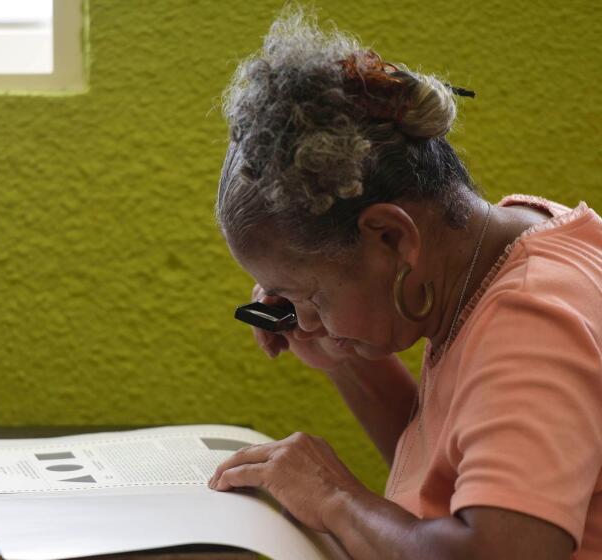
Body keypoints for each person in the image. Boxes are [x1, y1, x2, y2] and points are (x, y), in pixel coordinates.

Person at [207, 9, 602, 560]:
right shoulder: (499, 251)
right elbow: (439, 478)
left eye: (310, 297)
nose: (303, 318)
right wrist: (340, 352)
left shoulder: (535, 321)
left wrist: (335, 498)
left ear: (391, 237)